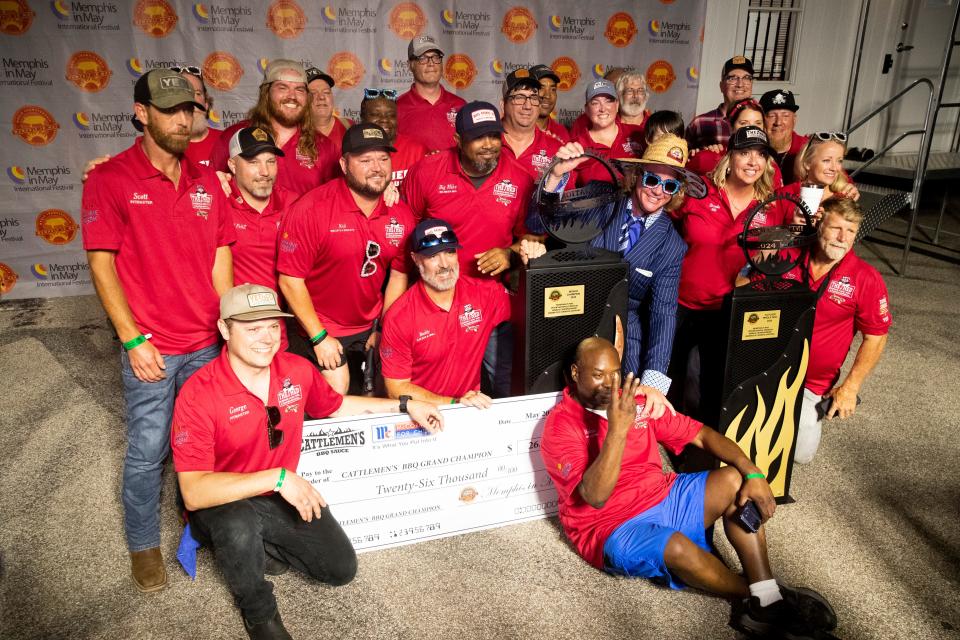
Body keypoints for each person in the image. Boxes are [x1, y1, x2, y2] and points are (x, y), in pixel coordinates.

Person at [172, 284, 442, 640]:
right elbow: (193, 492)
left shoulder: (295, 370)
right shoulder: (198, 392)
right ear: (224, 330)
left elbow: (337, 405)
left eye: (272, 326)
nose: (266, 338)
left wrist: (407, 405)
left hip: (272, 494)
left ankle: (261, 540)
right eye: (252, 328)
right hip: (221, 497)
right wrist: (280, 478)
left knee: (339, 568)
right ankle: (258, 612)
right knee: (236, 523)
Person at [541, 337, 837, 639]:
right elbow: (595, 497)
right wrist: (618, 428)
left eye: (615, 373)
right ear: (576, 373)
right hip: (610, 526)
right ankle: (762, 594)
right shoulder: (559, 426)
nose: (610, 383)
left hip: (662, 494)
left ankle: (766, 597)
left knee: (735, 480)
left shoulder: (638, 403)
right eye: (598, 374)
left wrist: (753, 473)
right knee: (677, 546)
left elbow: (702, 435)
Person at [81, 68, 235, 592]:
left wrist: (226, 321)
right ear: (141, 113)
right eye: (170, 109)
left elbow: (220, 253)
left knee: (205, 443)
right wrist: (132, 339)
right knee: (149, 449)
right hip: (152, 345)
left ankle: (200, 525)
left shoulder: (206, 180)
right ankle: (143, 544)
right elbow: (102, 265)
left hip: (205, 342)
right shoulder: (110, 178)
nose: (182, 119)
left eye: (189, 109)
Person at [533, 134, 699, 398]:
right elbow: (542, 221)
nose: (658, 191)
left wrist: (654, 384)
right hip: (569, 317)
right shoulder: (601, 197)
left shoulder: (671, 245)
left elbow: (663, 314)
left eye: (669, 186)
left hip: (622, 336)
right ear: (636, 175)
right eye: (653, 180)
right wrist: (555, 175)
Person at [401, 101, 534, 397]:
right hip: (434, 303)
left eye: (495, 136)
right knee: (432, 391)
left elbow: (533, 239)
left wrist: (510, 253)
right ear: (458, 140)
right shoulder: (426, 171)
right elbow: (404, 231)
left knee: (504, 387)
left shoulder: (520, 179)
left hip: (491, 304)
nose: (489, 145)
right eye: (478, 137)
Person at [745, 199, 890, 464]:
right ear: (819, 223)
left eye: (851, 231)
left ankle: (816, 409)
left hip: (811, 383)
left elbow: (876, 336)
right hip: (764, 367)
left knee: (800, 456)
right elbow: (745, 294)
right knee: (742, 438)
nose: (842, 238)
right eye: (836, 228)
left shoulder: (865, 278)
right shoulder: (788, 253)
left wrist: (850, 386)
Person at [277, 123, 415, 396]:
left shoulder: (400, 213)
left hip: (370, 324)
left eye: (383, 158)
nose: (377, 167)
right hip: (319, 326)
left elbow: (398, 275)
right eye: (365, 160)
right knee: (335, 392)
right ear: (344, 164)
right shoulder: (311, 209)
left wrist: (385, 328)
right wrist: (319, 337)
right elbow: (290, 280)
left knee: (387, 391)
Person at [668, 126, 784, 425]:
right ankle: (666, 430)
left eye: (760, 155)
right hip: (681, 300)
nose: (752, 162)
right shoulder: (699, 192)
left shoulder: (772, 207)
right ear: (729, 157)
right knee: (671, 372)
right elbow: (661, 216)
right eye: (744, 153)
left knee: (706, 377)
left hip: (727, 309)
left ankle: (696, 439)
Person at [381, 219, 511, 409]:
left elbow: (535, 306)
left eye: (450, 252)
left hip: (470, 408)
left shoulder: (485, 294)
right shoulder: (400, 317)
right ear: (416, 259)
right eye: (432, 256)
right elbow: (395, 388)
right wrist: (453, 403)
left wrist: (523, 255)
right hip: (421, 417)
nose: (444, 264)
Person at [211, 60, 339, 196]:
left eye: (299, 89)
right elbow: (212, 187)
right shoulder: (235, 136)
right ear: (266, 93)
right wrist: (213, 181)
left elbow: (334, 202)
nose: (292, 96)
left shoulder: (325, 147)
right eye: (283, 88)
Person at [225, 126, 293, 349]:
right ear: (232, 165)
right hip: (236, 326)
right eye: (254, 162)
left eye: (271, 161)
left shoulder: (294, 204)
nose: (265, 171)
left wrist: (386, 192)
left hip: (284, 324)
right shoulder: (216, 202)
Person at [687, 98, 784, 187]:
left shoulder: (771, 166)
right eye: (744, 123)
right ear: (731, 127)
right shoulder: (707, 157)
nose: (751, 128)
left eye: (758, 123)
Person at [396, 34, 467, 152]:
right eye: (423, 58)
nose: (431, 63)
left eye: (436, 57)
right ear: (410, 65)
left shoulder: (460, 105)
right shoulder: (397, 108)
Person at [571, 79, 643, 186]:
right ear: (586, 109)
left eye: (608, 101)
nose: (603, 109)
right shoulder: (576, 146)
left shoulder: (637, 134)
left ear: (617, 105)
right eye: (595, 103)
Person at [499, 68, 564, 181]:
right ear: (503, 104)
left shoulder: (556, 150)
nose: (528, 106)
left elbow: (566, 197)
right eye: (519, 97)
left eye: (534, 98)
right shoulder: (484, 143)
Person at [360, 87, 427, 189]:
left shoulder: (417, 150)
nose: (384, 120)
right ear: (362, 117)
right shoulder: (354, 152)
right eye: (375, 114)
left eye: (391, 115)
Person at [778, 132, 860, 213]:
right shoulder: (784, 195)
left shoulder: (844, 197)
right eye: (826, 160)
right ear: (807, 163)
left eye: (839, 161)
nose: (834, 168)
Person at [686, 56, 754, 151]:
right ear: (721, 86)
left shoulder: (762, 123)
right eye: (732, 78)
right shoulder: (699, 123)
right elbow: (681, 161)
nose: (740, 84)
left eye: (746, 78)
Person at [760, 89, 807, 185]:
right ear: (761, 120)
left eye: (785, 116)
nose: (778, 122)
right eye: (772, 116)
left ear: (794, 120)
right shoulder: (752, 149)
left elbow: (839, 182)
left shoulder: (809, 148)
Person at [306, 67, 352, 149]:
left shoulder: (349, 127)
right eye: (313, 93)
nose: (321, 97)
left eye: (326, 92)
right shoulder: (293, 132)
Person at [529, 64, 570, 143]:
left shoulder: (561, 131)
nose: (547, 95)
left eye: (553, 89)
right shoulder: (516, 130)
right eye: (540, 88)